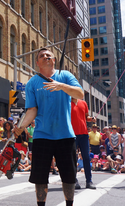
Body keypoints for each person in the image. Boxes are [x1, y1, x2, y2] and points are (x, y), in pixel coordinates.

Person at [13, 47, 84, 206]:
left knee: (69, 177)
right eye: (41, 56)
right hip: (42, 136)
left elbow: (80, 94)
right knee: (40, 178)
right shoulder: (32, 82)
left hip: (65, 135)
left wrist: (62, 86)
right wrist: (21, 126)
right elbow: (32, 110)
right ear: (37, 62)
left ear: (54, 60)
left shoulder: (65, 76)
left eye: (48, 55)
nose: (45, 57)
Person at [71, 97, 96, 189]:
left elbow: (87, 117)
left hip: (84, 134)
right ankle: (74, 180)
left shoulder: (83, 103)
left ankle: (89, 181)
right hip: (72, 134)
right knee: (73, 158)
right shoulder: (67, 102)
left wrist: (92, 119)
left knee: (86, 157)